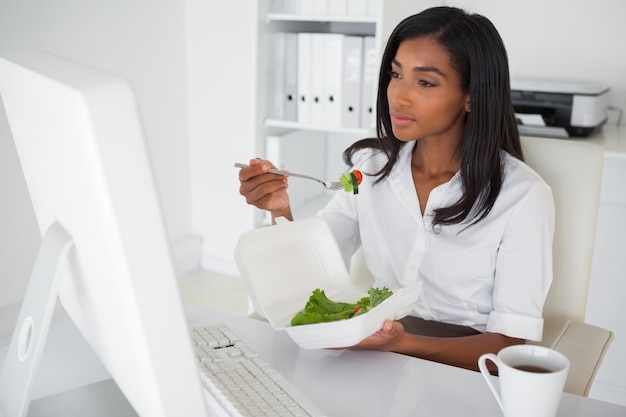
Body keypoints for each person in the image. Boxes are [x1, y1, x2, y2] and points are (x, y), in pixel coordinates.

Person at [237, 6, 555, 372]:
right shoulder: (371, 169)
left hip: (463, 369)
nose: (399, 97)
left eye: (425, 82)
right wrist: (279, 208)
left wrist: (403, 343)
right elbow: (310, 273)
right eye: (395, 74)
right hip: (376, 351)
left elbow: (510, 347)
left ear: (471, 95)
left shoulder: (523, 196)